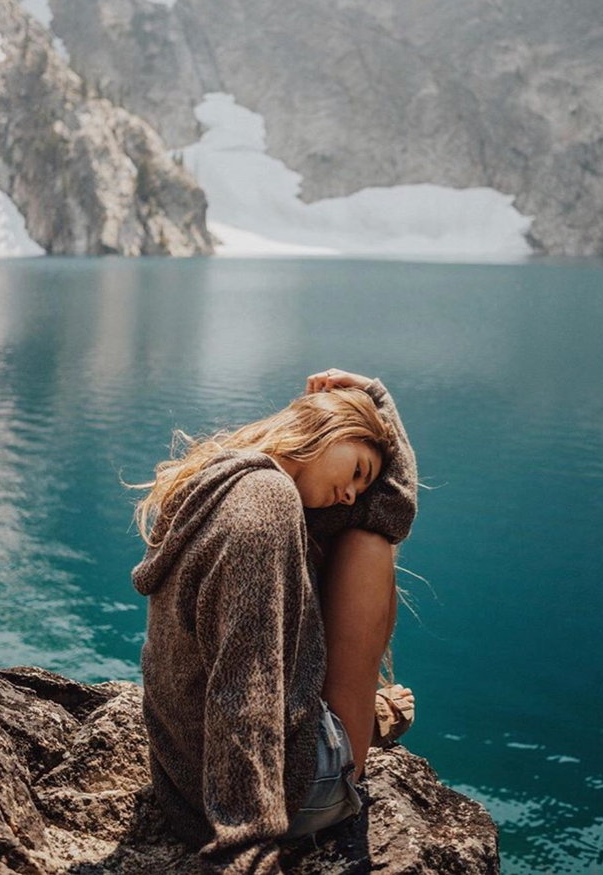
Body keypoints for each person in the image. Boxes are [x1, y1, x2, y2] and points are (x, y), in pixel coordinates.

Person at [128, 367, 418, 873]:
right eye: (355, 471)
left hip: (182, 784)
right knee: (369, 549)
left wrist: (375, 399)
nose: (352, 494)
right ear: (329, 432)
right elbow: (246, 686)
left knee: (363, 532)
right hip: (270, 797)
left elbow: (391, 508)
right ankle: (364, 726)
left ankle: (365, 718)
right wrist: (247, 848)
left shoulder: (223, 479)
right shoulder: (266, 503)